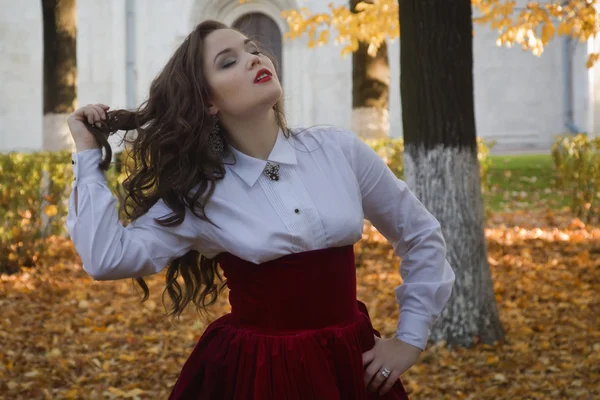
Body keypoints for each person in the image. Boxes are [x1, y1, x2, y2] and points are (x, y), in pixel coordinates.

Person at [66, 20, 455, 399]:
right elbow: (106, 258)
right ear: (208, 102)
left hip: (349, 365)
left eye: (252, 49)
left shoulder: (338, 151)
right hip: (258, 374)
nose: (254, 58)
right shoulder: (199, 195)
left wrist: (409, 339)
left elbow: (418, 233)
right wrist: (86, 154)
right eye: (228, 61)